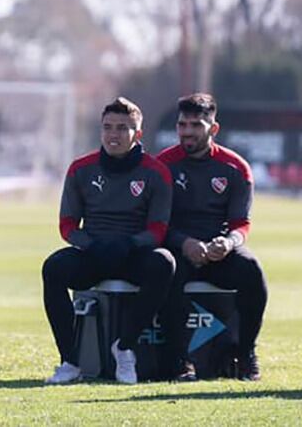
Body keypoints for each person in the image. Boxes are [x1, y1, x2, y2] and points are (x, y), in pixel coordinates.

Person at [42, 97, 175, 385]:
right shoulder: (80, 169)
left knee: (164, 263)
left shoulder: (156, 172)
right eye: (108, 127)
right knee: (53, 268)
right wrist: (90, 244)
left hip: (132, 255)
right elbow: (67, 226)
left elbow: (158, 230)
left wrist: (130, 244)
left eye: (122, 128)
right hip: (94, 253)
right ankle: (70, 360)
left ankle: (124, 348)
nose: (113, 134)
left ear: (138, 134)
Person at [157, 93, 266, 381]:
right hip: (177, 248)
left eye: (196, 125)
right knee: (163, 268)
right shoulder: (162, 165)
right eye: (182, 125)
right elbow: (154, 224)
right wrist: (183, 243)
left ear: (213, 129)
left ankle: (245, 355)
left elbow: (241, 224)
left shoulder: (236, 167)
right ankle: (179, 361)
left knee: (252, 271)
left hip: (218, 251)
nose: (187, 132)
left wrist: (228, 243)